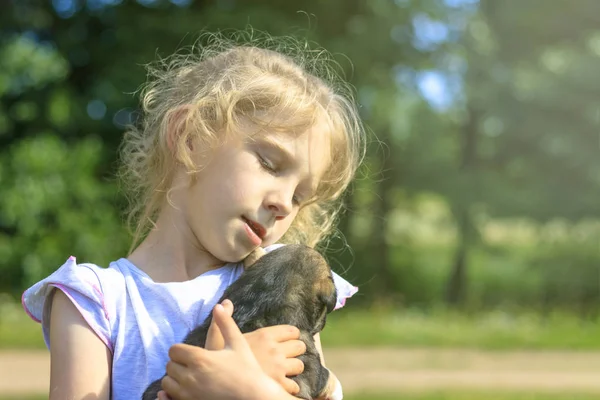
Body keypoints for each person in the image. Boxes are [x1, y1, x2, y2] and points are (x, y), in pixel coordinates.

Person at [21, 30, 364, 400]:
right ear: (190, 137)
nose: (284, 203)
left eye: (300, 196)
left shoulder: (280, 283)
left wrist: (252, 393)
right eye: (269, 162)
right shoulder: (96, 301)